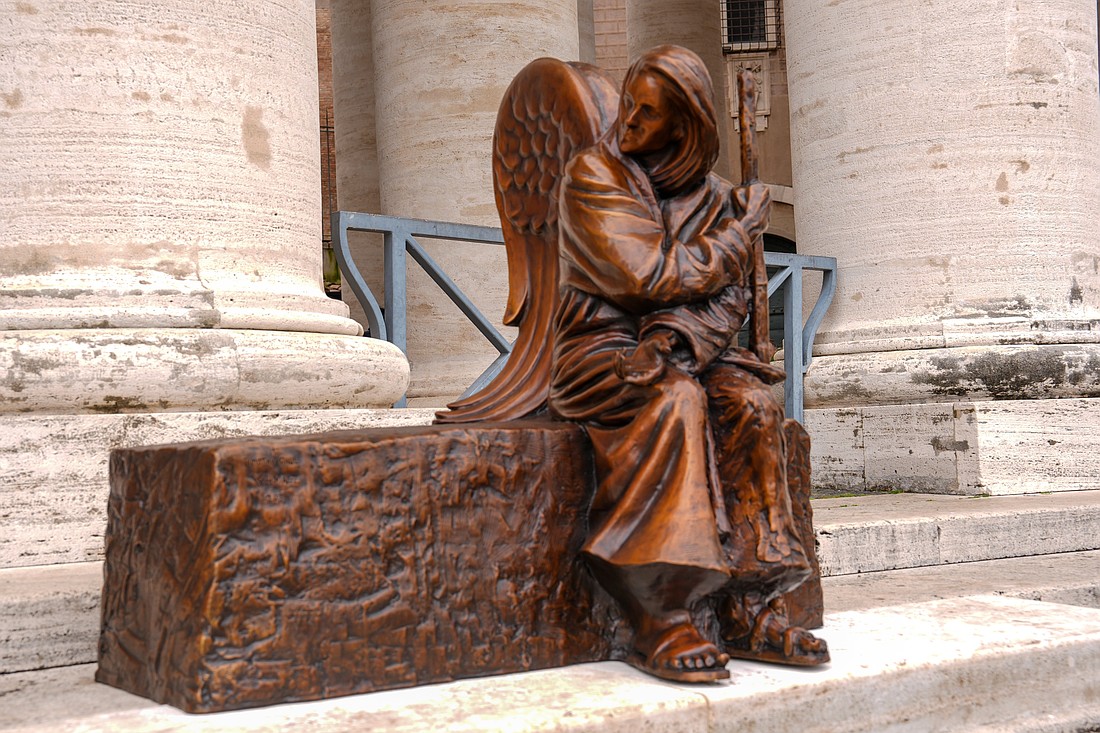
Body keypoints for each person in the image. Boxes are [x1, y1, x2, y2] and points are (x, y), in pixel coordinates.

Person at [548, 45, 826, 682]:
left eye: (648, 115)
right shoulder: (594, 176)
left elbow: (729, 298)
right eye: (629, 106)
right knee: (675, 399)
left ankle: (750, 602)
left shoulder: (717, 197)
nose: (629, 124)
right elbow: (646, 276)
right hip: (602, 350)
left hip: (689, 349)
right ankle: (661, 610)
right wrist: (738, 235)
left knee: (753, 404)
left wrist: (677, 336)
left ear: (685, 126)